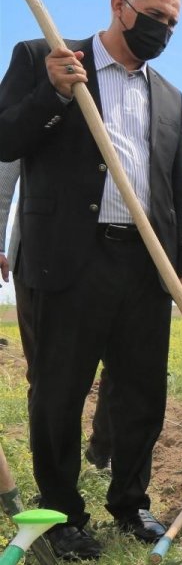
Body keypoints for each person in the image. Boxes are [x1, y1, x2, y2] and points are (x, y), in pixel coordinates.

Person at [0, 0, 182, 560]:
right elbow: (5, 140)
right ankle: (63, 516)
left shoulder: (169, 97)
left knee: (141, 392)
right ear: (120, 6)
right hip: (67, 259)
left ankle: (131, 503)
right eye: (155, 17)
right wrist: (53, 93)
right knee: (59, 392)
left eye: (172, 23)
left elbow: (178, 191)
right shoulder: (46, 58)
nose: (163, 30)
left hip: (144, 264)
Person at [0, 161, 114, 470]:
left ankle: (102, 449)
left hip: (115, 255)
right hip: (40, 256)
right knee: (46, 374)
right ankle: (52, 480)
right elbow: (4, 172)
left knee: (122, 365)